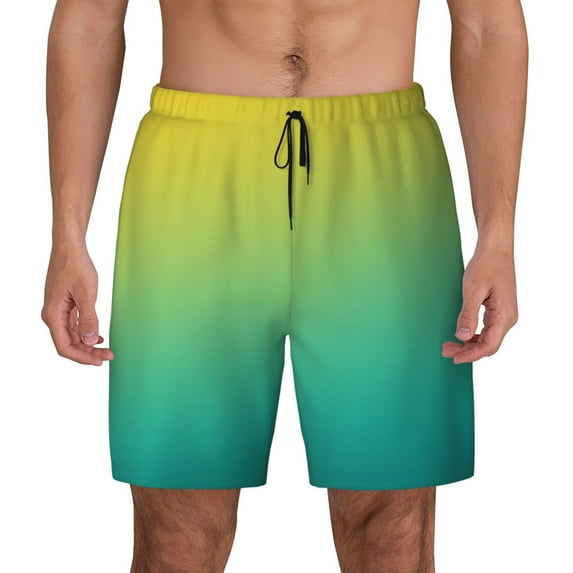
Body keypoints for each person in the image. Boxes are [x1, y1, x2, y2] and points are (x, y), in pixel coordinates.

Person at [41, 0, 527, 570]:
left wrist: (498, 236)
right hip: (193, 169)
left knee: (390, 527)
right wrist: (67, 235)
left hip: (386, 183)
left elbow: (487, 26)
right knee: (177, 532)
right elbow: (89, 23)